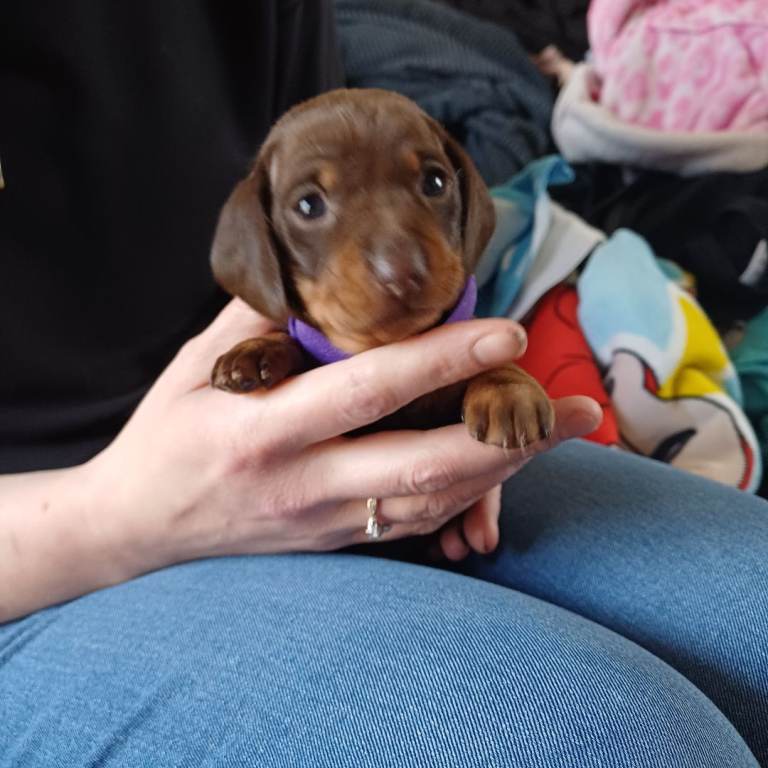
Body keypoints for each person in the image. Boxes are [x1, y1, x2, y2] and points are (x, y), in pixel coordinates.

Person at [1, 3, 766, 766]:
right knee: (607, 738)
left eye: (429, 184)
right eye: (312, 204)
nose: (396, 258)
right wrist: (124, 514)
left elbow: (339, 144)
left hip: (328, 442)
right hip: (47, 567)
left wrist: (452, 421)